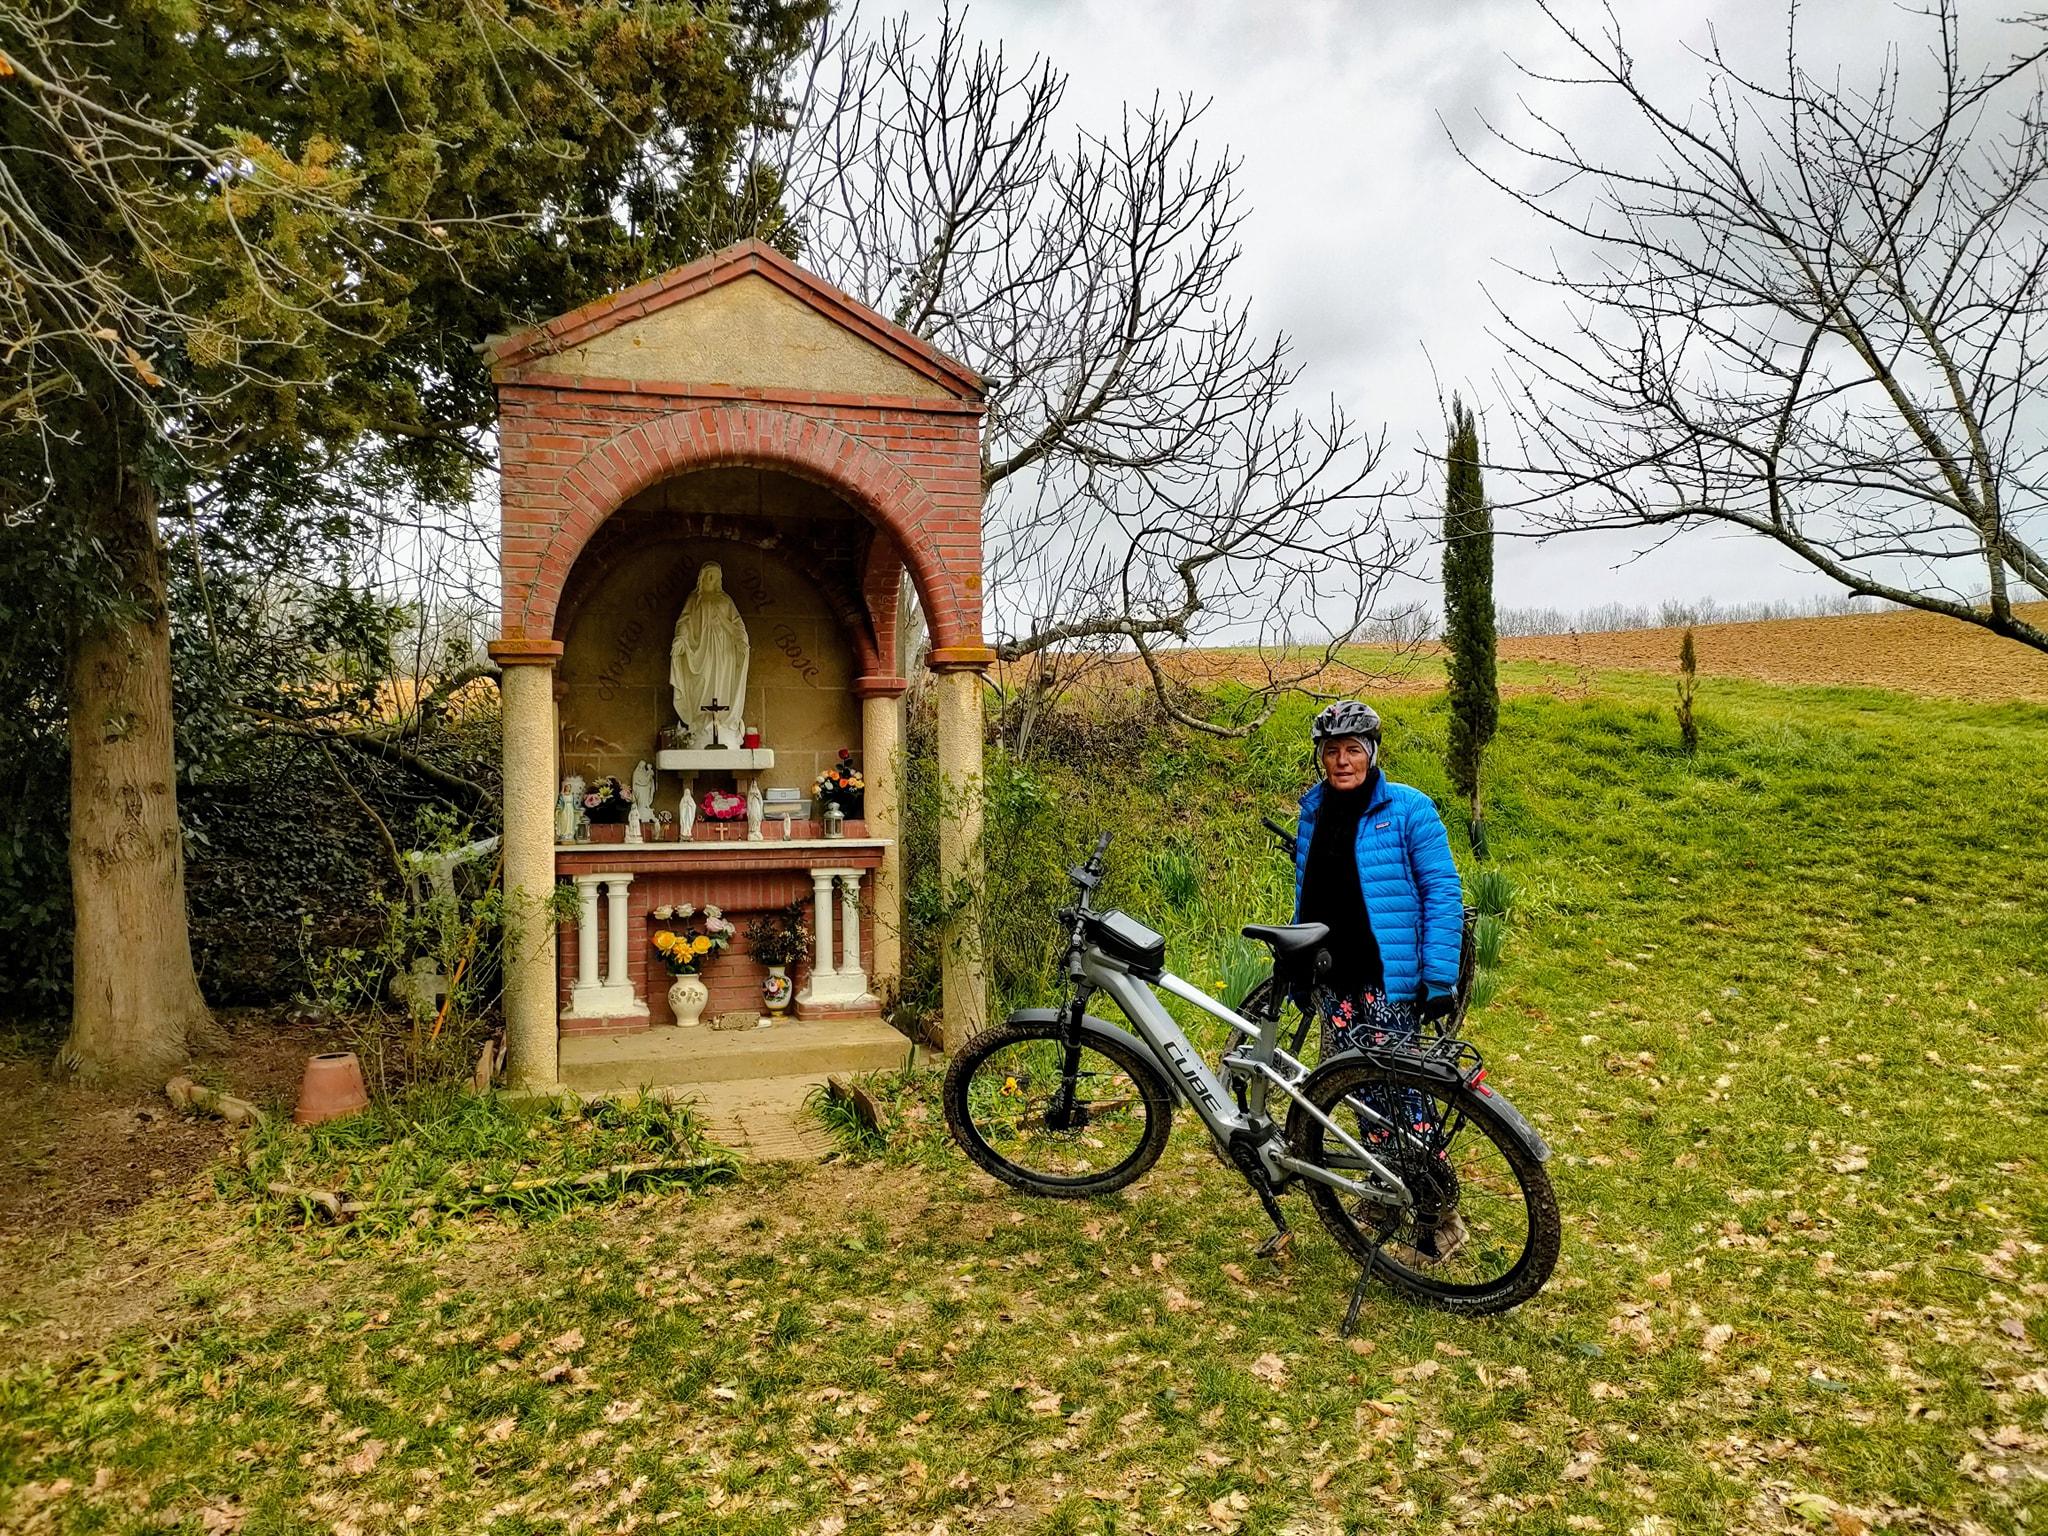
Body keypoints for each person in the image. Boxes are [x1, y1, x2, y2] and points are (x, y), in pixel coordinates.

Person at [1293, 700, 1465, 1057]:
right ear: (1321, 758)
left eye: (1353, 750)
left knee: (1395, 1081)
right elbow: (1306, 892)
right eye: (1332, 751)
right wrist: (1298, 965)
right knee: (1345, 1080)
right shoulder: (1313, 813)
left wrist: (1438, 977)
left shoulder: (1410, 808)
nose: (1342, 761)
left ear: (1370, 754)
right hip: (1332, 976)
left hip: (1387, 979)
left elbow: (1442, 892)